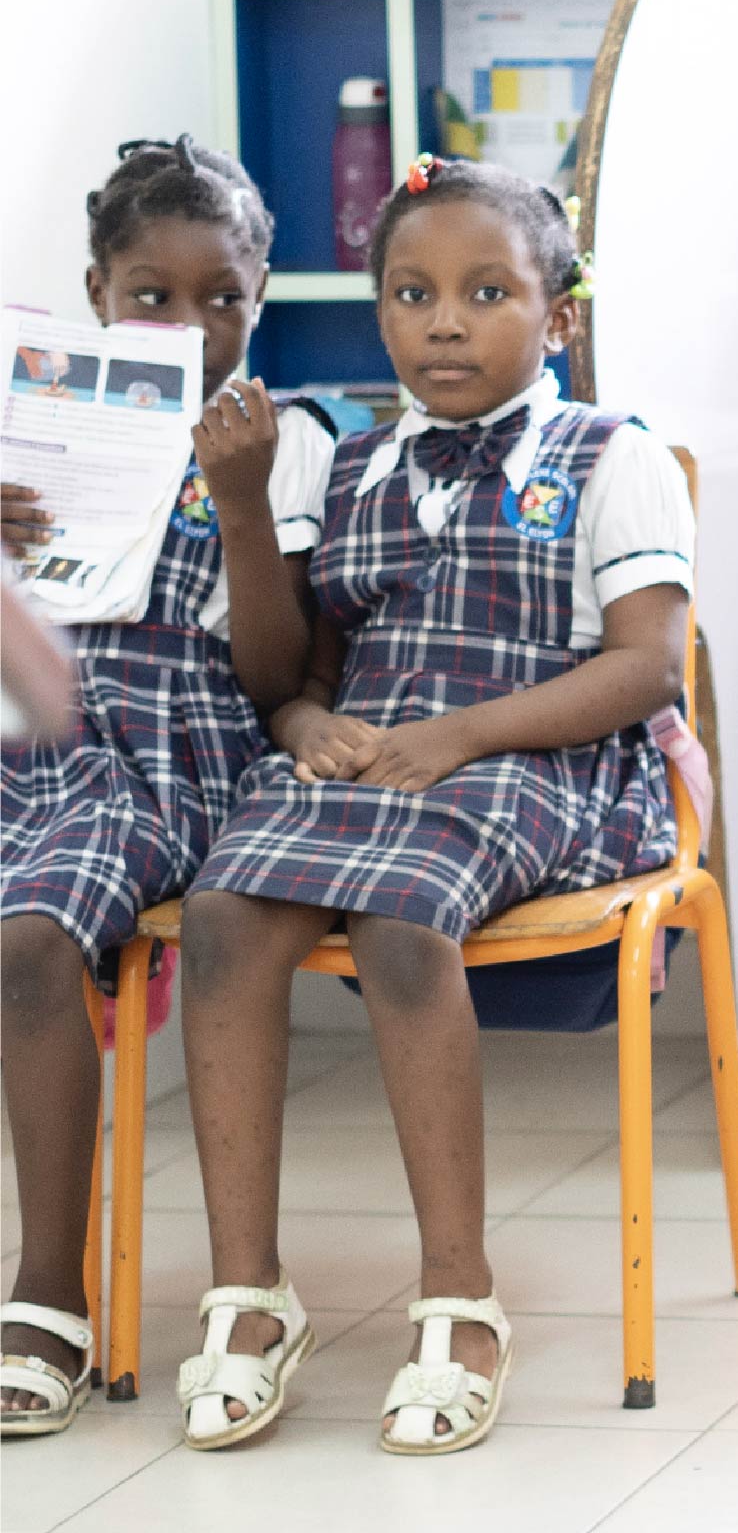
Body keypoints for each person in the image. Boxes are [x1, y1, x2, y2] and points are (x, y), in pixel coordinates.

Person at [171, 155, 695, 1457]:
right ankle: (249, 1295)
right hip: (378, 754)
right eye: (412, 293)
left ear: (556, 315)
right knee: (227, 913)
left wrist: (456, 737)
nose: (445, 321)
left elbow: (645, 666)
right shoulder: (346, 466)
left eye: (485, 292)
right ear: (377, 313)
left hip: (545, 755)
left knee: (407, 918)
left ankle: (458, 1296)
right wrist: (300, 720)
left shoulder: (611, 457)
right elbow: (300, 673)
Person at [1, 138, 329, 1438]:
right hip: (34, 735)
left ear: (262, 297)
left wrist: (242, 509)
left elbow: (275, 678)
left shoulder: (288, 445)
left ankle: (43, 1290)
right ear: (97, 294)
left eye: (222, 300)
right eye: (152, 297)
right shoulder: (34, 425)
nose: (188, 328)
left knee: (31, 936)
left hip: (176, 760)